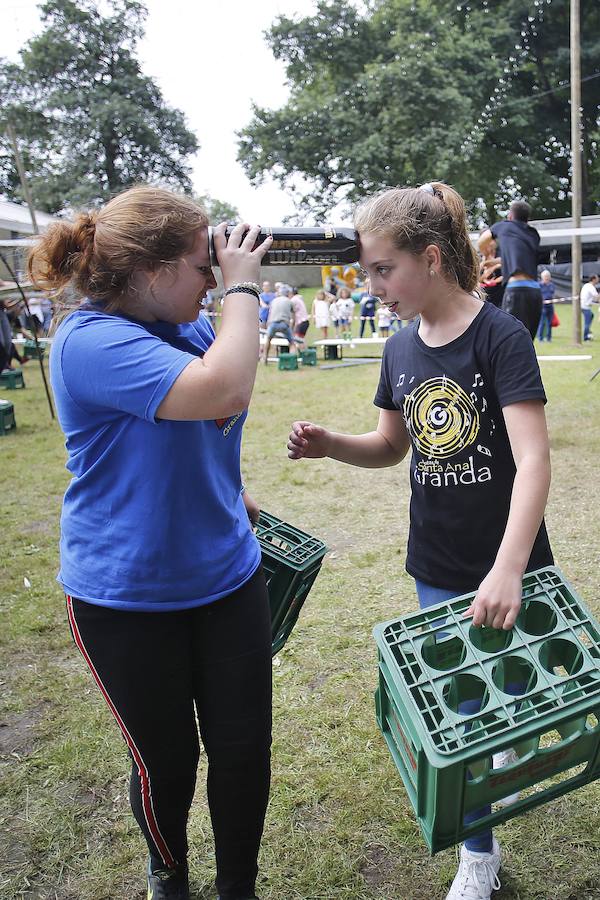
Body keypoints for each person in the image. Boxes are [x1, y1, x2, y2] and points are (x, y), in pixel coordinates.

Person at [287, 181, 553, 900]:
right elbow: (389, 446)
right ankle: (479, 856)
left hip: (510, 561)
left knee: (512, 689)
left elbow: (533, 460)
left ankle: (518, 724)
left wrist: (507, 568)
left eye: (382, 270)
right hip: (434, 562)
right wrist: (330, 444)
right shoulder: (399, 347)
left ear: (430, 258)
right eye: (367, 272)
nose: (372, 287)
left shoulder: (501, 336)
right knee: (462, 709)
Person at [28, 185, 274, 900]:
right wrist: (246, 289)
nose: (213, 277)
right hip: (126, 599)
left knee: (241, 755)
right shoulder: (89, 342)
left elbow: (212, 416)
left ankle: (238, 888)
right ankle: (170, 874)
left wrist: (226, 491)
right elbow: (222, 390)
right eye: (204, 266)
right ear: (150, 271)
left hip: (227, 581)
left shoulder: (188, 325)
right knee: (166, 766)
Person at [478, 200, 542, 340]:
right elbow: (514, 257)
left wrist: (485, 254)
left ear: (510, 216)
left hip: (516, 290)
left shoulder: (504, 226)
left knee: (508, 340)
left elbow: (482, 240)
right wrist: (491, 262)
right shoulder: (533, 234)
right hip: (535, 292)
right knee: (528, 343)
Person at [262, 284, 298, 364]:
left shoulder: (274, 301)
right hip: (284, 323)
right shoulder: (289, 301)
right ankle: (293, 360)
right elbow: (294, 317)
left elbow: (270, 313)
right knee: (291, 343)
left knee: (268, 340)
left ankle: (265, 358)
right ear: (287, 293)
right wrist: (292, 328)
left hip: (272, 323)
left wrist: (268, 325)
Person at [478, 236, 504, 309]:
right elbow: (477, 279)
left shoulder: (501, 254)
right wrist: (486, 277)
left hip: (501, 293)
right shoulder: (480, 258)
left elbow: (507, 270)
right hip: (486, 295)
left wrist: (494, 267)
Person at [537, 270, 556, 342]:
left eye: (548, 276)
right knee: (542, 322)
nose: (547, 278)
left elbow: (552, 294)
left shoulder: (551, 285)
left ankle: (549, 338)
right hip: (542, 307)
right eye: (545, 277)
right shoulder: (539, 285)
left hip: (550, 306)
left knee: (550, 323)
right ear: (542, 277)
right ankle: (540, 338)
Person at [580, 273, 599, 341]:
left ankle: (588, 332)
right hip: (585, 306)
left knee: (591, 315)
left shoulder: (586, 285)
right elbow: (597, 297)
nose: (598, 279)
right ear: (593, 279)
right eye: (597, 278)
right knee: (587, 322)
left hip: (583, 305)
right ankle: (586, 337)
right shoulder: (591, 287)